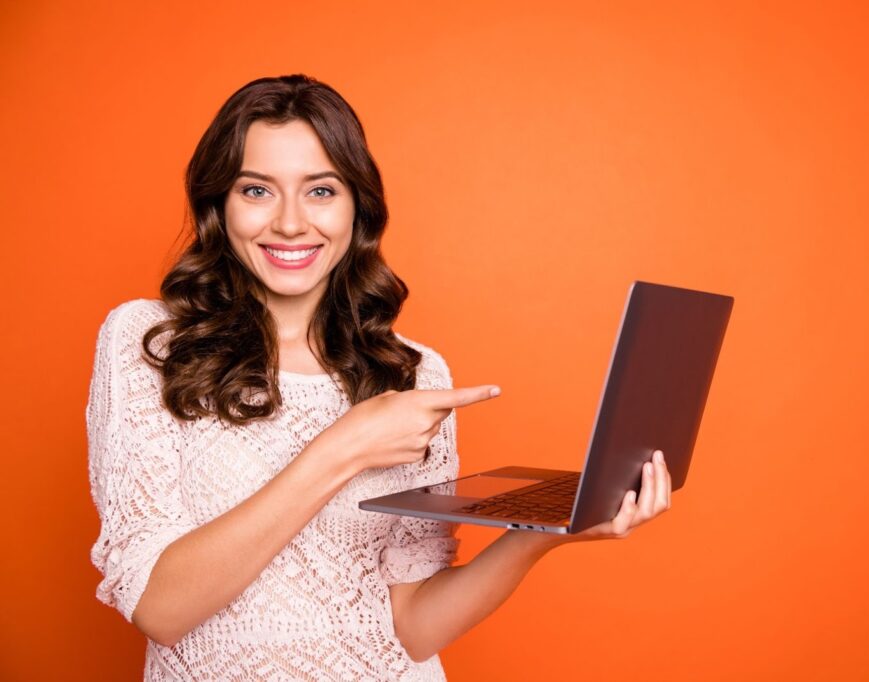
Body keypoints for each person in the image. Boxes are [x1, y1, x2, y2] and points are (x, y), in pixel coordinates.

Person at [86, 73, 673, 681]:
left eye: (321, 191)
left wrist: (545, 532)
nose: (290, 223)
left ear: (356, 206)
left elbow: (414, 626)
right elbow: (159, 607)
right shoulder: (150, 342)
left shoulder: (410, 373)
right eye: (257, 190)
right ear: (218, 204)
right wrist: (342, 449)